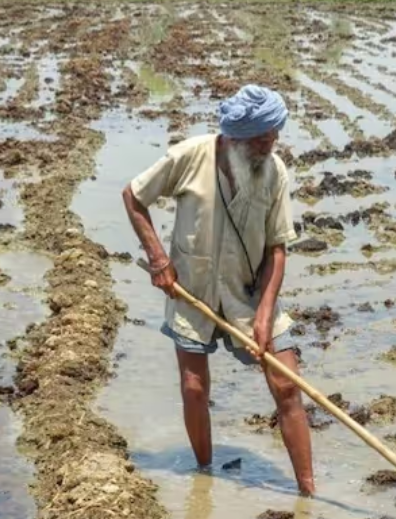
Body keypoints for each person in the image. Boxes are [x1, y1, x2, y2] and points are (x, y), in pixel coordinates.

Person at [120, 84, 315, 496]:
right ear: (234, 138)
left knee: (287, 385)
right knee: (193, 388)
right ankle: (204, 477)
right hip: (193, 292)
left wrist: (263, 315)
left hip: (250, 293)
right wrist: (158, 259)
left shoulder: (274, 170)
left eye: (274, 135)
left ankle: (308, 493)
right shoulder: (190, 156)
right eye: (262, 139)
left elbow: (277, 249)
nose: (271, 144)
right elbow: (134, 197)